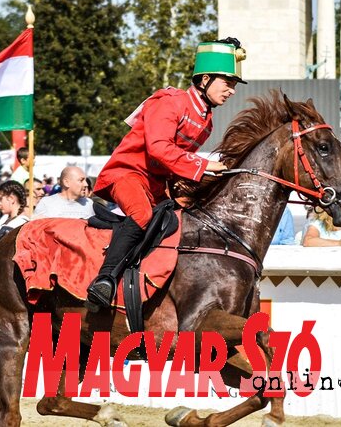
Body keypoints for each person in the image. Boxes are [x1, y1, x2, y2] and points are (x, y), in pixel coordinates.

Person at [86, 37, 246, 310]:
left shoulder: (206, 122)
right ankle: (104, 281)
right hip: (127, 174)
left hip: (157, 185)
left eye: (233, 85)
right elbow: (159, 149)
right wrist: (202, 165)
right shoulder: (170, 102)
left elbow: (174, 164)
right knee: (141, 215)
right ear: (205, 79)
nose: (231, 90)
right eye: (227, 82)